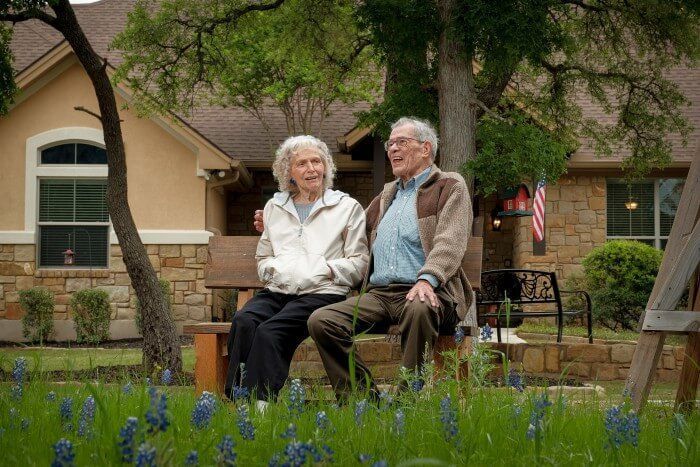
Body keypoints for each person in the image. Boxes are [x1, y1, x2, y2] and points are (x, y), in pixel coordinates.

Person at [255, 117, 474, 400]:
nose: (393, 149)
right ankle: (363, 399)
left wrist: (427, 278)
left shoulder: (448, 186)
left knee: (419, 307)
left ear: (425, 149)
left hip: (431, 291)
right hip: (380, 296)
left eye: (402, 142)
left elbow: (451, 241)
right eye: (390, 144)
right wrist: (273, 220)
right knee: (322, 321)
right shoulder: (387, 195)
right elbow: (345, 223)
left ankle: (407, 402)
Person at [225, 135, 368, 409]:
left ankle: (261, 407)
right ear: (288, 172)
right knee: (244, 322)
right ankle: (238, 402)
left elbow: (359, 262)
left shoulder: (346, 207)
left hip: (323, 293)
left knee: (269, 332)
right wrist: (273, 271)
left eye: (317, 161)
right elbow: (263, 255)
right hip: (278, 291)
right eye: (302, 163)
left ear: (326, 167)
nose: (311, 169)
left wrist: (324, 271)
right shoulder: (274, 208)